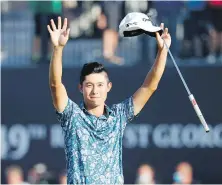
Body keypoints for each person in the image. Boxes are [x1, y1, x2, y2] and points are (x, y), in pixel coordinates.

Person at [47, 16, 171, 184]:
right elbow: (55, 85)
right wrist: (58, 48)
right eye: (89, 85)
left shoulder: (118, 116)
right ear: (81, 88)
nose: (95, 90)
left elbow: (149, 87)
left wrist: (162, 52)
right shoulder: (72, 116)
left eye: (100, 85)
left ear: (108, 87)